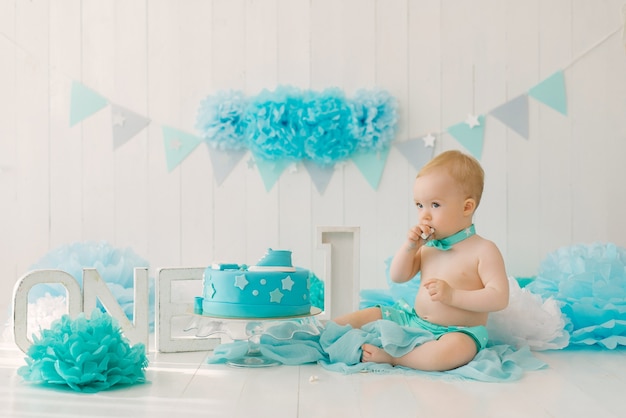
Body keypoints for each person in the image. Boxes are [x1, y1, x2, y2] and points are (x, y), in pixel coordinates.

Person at [334, 149, 509, 371]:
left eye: (434, 205)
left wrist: (453, 296)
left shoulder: (483, 250)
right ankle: (322, 329)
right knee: (373, 313)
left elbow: (499, 297)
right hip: (413, 321)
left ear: (467, 207)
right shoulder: (428, 247)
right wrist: (409, 248)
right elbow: (398, 276)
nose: (424, 215)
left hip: (458, 331)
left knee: (452, 351)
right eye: (419, 205)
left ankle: (396, 358)